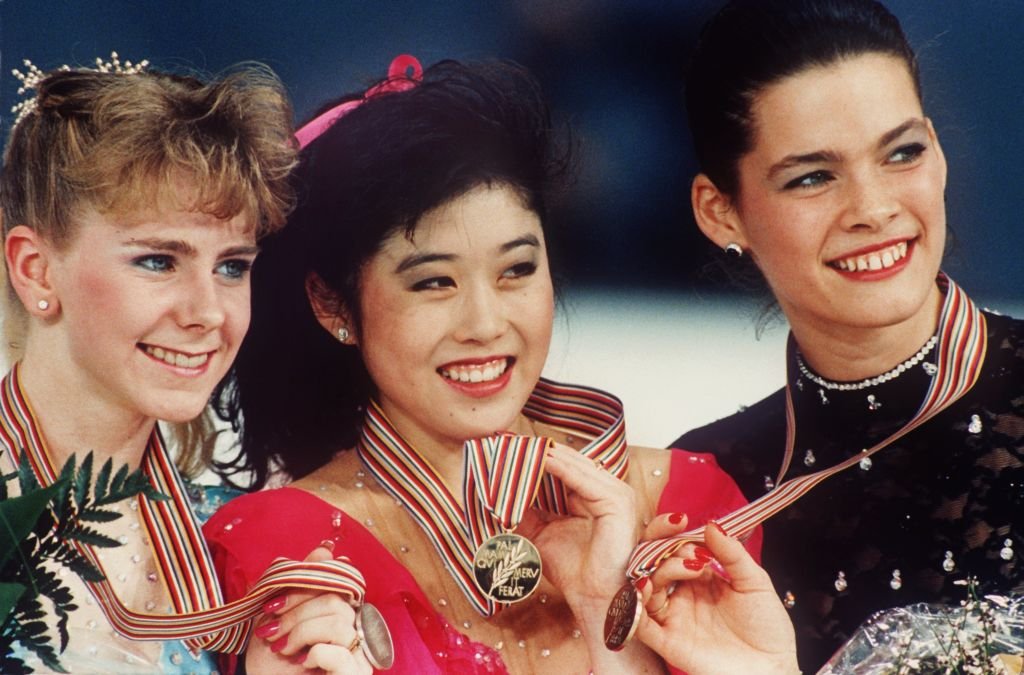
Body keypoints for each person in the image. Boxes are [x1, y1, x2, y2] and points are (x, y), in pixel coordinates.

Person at [203, 57, 758, 674]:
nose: (486, 324)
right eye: (434, 282)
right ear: (333, 303)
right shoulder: (285, 547)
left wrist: (609, 612)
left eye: (516, 270)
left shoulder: (688, 507)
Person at [668, 0, 1024, 670]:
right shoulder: (706, 494)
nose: (873, 208)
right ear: (721, 212)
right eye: (812, 177)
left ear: (939, 152)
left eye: (902, 152)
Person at [0, 54, 296, 671]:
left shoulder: (242, 544)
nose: (208, 313)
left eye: (231, 267)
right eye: (159, 260)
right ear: (35, 269)